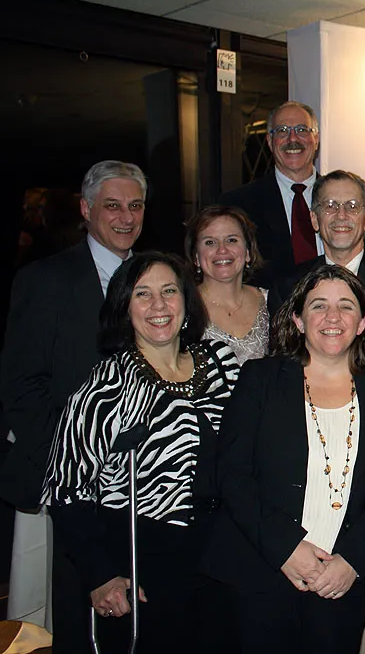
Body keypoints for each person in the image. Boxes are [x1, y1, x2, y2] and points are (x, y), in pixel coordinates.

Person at [204, 265, 365, 654]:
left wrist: (353, 560)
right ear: (298, 320)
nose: (333, 317)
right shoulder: (259, 379)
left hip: (340, 583)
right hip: (258, 575)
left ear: (363, 322)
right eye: (319, 306)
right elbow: (232, 474)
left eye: (346, 306)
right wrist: (286, 548)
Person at [42, 251, 240, 653]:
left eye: (169, 291)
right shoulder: (106, 387)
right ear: (123, 307)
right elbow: (66, 491)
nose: (158, 305)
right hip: (144, 559)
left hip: (224, 553)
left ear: (186, 299)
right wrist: (100, 575)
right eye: (142, 294)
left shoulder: (221, 363)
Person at [0, 160, 146, 652]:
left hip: (145, 480)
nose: (125, 217)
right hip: (73, 482)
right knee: (79, 614)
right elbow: (22, 385)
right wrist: (71, 461)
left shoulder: (158, 276)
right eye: (112, 206)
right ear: (86, 209)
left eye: (135, 206)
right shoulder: (46, 280)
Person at [270, 170, 365, 311]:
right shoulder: (287, 288)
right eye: (330, 206)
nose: (341, 215)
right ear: (315, 219)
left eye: (352, 206)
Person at [218, 101, 323, 286]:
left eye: (301, 130)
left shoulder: (341, 200)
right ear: (269, 141)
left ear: (316, 139)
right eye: (282, 131)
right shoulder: (237, 205)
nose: (292, 139)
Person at [185, 205, 269, 365]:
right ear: (196, 257)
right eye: (210, 242)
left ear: (248, 252)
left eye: (231, 240)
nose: (222, 250)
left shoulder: (271, 302)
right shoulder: (183, 308)